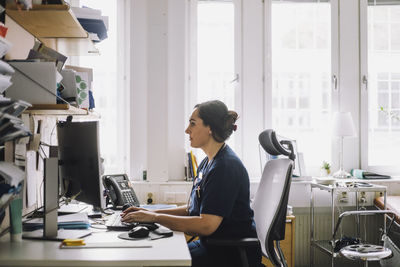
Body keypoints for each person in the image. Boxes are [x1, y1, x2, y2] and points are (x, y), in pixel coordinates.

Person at [121, 100, 263, 267]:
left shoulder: (225, 167)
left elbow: (206, 225)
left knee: (158, 262)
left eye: (193, 124)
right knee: (157, 255)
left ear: (210, 128)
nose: (187, 130)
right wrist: (147, 213)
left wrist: (154, 217)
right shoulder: (208, 163)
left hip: (229, 254)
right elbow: (192, 210)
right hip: (213, 246)